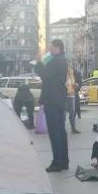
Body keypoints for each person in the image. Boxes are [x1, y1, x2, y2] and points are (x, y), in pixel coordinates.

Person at [36, 40, 70, 172]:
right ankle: (64, 161)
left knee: (55, 132)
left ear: (58, 48)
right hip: (59, 100)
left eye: (51, 47)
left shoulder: (56, 61)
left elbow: (44, 75)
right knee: (60, 131)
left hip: (52, 100)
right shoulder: (61, 60)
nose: (49, 49)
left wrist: (39, 62)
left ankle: (57, 162)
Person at [65, 64, 80, 134]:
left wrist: (76, 86)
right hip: (64, 96)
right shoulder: (63, 75)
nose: (71, 70)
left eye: (71, 69)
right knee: (63, 113)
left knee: (72, 112)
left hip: (72, 95)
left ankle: (73, 128)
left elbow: (74, 84)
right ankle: (61, 128)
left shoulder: (72, 76)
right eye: (69, 69)